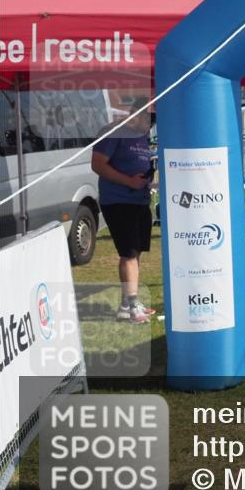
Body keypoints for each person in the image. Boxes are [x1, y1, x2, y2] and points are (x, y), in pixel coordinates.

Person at [91, 98, 157, 324]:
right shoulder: (114, 132)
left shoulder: (142, 136)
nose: (151, 124)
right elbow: (98, 164)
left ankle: (125, 305)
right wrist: (129, 181)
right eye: (150, 119)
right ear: (137, 114)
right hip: (118, 201)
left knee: (136, 251)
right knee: (128, 253)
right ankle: (133, 303)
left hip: (140, 200)